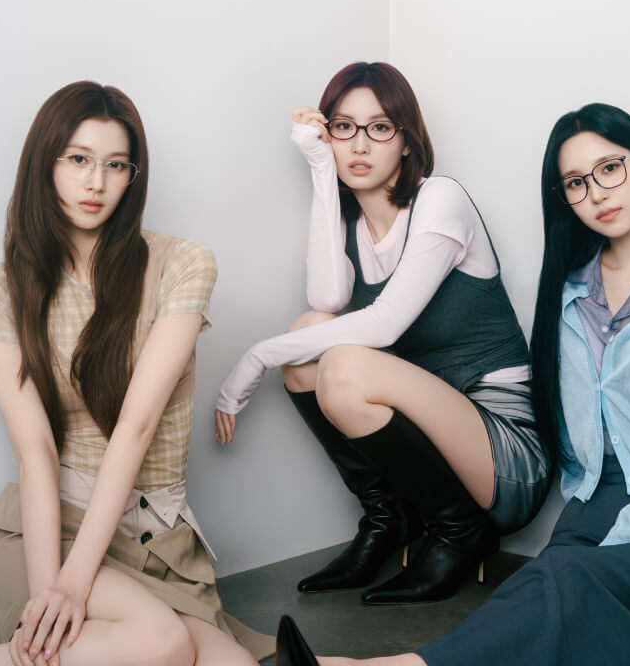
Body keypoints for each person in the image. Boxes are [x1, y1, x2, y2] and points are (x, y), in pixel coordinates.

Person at [273, 101, 630, 666]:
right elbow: (573, 437)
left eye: (610, 169)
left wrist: (621, 540)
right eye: (576, 183)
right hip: (594, 512)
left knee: (567, 585)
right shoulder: (568, 296)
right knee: (545, 604)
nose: (597, 193)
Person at [215, 62, 549, 604]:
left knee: (343, 364)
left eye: (380, 127)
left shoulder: (441, 199)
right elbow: (326, 300)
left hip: (503, 456)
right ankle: (387, 520)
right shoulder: (353, 223)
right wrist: (320, 168)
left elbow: (386, 322)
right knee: (308, 338)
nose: (359, 143)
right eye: (343, 127)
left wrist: (255, 357)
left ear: (407, 140)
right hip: (431, 443)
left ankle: (460, 533)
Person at [0, 81, 274, 666]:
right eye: (78, 159)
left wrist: (74, 587)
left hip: (155, 540)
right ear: (45, 164)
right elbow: (35, 453)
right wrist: (54, 588)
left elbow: (137, 427)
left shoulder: (181, 263)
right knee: (159, 645)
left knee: (235, 664)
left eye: (116, 165)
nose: (97, 182)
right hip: (53, 529)